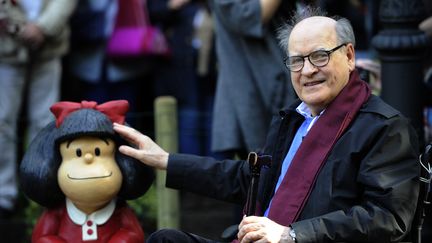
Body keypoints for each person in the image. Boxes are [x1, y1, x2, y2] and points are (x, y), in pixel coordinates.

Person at [113, 6, 421, 243]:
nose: (308, 70)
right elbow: (249, 179)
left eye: (320, 56)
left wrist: (291, 235)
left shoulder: (385, 128)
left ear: (350, 56)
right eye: (297, 61)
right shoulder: (291, 119)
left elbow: (387, 218)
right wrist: (165, 160)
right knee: (165, 238)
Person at [20, 100, 154, 242]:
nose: (89, 158)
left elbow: (133, 234)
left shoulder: (119, 210)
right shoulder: (57, 212)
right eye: (78, 153)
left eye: (98, 152)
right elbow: (42, 237)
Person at [0, 0, 77, 218]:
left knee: (46, 121)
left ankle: (41, 189)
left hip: (49, 48)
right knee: (2, 121)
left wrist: (43, 27)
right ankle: (4, 195)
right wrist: (20, 28)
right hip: (6, 50)